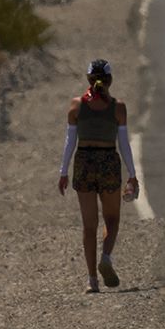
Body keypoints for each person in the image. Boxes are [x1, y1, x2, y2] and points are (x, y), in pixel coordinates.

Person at [58, 59, 140, 293]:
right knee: (112, 219)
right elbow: (123, 144)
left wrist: (63, 171)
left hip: (83, 161)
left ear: (88, 79)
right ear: (110, 80)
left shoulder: (76, 106)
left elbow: (69, 142)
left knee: (88, 225)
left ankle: (92, 280)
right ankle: (106, 256)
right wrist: (132, 175)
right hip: (107, 162)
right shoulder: (118, 107)